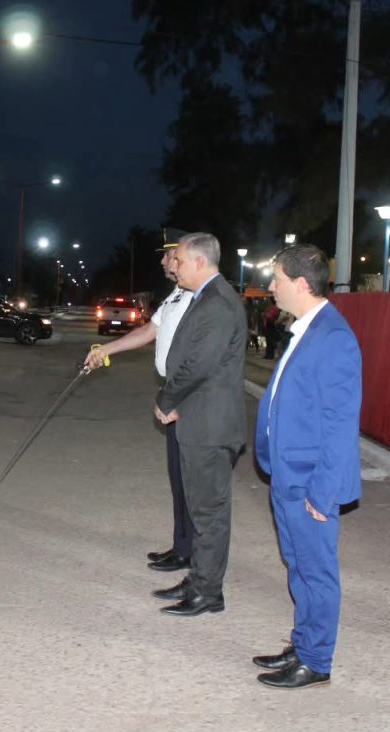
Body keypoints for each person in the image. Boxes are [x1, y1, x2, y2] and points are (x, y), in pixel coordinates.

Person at [251, 244, 362, 690]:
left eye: (276, 278)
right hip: (288, 473)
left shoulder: (333, 337)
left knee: (316, 571)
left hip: (311, 480)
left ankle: (316, 660)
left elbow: (340, 423)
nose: (271, 286)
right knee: (298, 565)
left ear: (300, 283)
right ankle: (303, 643)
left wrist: (323, 490)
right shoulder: (306, 329)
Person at [85, 230, 194, 573]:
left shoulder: (200, 297)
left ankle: (195, 558)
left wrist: (175, 396)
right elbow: (149, 331)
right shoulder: (177, 294)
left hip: (190, 398)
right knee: (178, 478)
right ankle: (182, 547)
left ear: (184, 257)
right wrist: (106, 349)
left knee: (193, 483)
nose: (162, 261)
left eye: (168, 255)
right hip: (176, 392)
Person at [149, 232, 246, 617]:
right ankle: (198, 579)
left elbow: (199, 364)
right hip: (199, 420)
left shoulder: (218, 303)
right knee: (200, 508)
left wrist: (167, 398)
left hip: (210, 424)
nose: (176, 267)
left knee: (209, 513)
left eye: (181, 260)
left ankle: (208, 592)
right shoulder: (203, 297)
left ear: (201, 262)